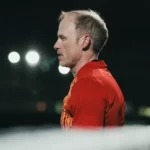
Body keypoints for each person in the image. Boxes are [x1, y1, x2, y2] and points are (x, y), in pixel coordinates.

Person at [53, 9, 125, 129]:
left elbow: (83, 145)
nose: (56, 45)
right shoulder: (98, 77)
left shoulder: (90, 83)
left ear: (84, 41)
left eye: (63, 38)